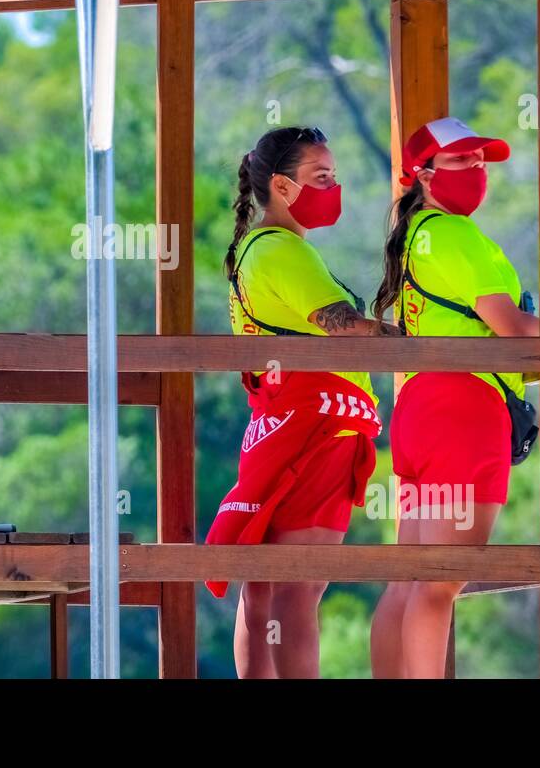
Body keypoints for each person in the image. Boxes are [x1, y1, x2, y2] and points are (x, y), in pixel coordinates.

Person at [206, 125, 396, 679]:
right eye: (321, 177)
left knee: (265, 585)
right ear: (283, 188)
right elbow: (339, 326)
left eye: (333, 176)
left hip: (278, 426)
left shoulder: (254, 248)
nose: (333, 186)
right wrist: (418, 341)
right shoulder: (282, 250)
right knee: (301, 583)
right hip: (320, 428)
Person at [368, 116, 539, 678]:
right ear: (423, 174)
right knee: (441, 581)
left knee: (412, 578)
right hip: (464, 410)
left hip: (421, 411)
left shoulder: (418, 236)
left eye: (480, 159)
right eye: (462, 160)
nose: (477, 169)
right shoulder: (455, 235)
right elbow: (515, 332)